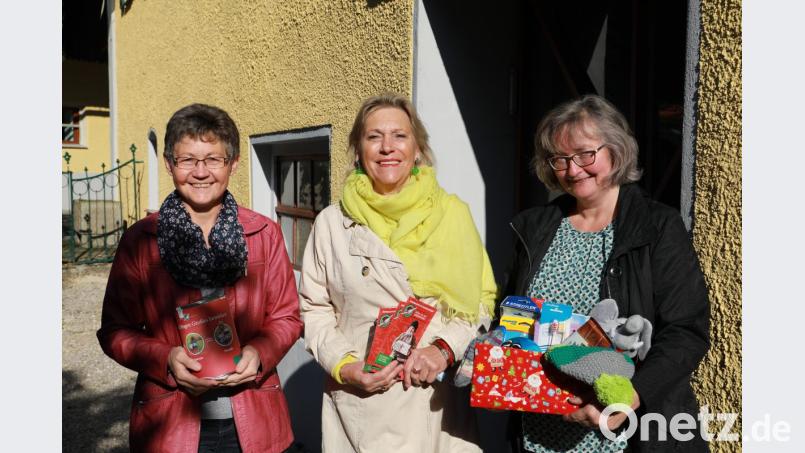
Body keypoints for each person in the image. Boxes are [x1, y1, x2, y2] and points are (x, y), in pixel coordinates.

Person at [503, 95, 709, 452]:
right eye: (559, 159)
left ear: (615, 150)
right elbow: (509, 316)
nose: (572, 169)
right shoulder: (535, 230)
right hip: (539, 430)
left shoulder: (657, 227)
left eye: (585, 154)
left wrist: (630, 396)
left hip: (629, 431)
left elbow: (687, 330)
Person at [97, 103, 302, 453]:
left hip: (252, 417)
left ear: (233, 164)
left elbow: (287, 316)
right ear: (169, 164)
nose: (201, 172)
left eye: (213, 159)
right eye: (188, 159)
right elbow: (115, 331)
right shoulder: (141, 240)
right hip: (172, 423)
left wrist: (259, 352)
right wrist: (165, 359)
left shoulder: (263, 234)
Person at [299, 93, 497, 452]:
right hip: (363, 406)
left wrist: (443, 349)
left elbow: (480, 302)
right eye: (374, 137)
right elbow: (314, 309)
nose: (387, 147)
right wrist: (346, 366)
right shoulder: (332, 223)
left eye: (400, 136)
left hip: (436, 409)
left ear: (417, 148)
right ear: (358, 151)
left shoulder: (452, 214)